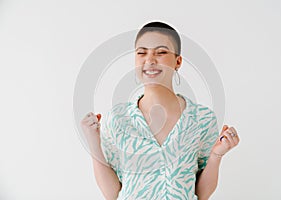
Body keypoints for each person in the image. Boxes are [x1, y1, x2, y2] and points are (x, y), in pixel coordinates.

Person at [80, 21, 240, 200]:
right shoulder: (118, 119)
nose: (149, 60)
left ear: (178, 61)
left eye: (161, 52)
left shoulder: (202, 119)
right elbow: (112, 194)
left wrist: (217, 154)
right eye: (141, 53)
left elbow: (201, 194)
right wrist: (93, 140)